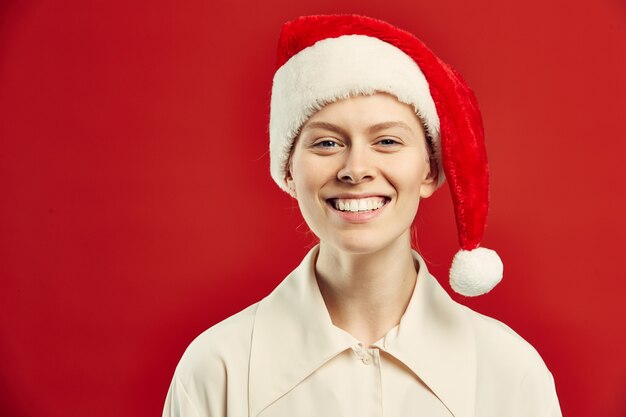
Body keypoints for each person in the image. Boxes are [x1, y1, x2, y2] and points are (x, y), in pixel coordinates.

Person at [162, 14, 562, 417]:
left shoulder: (511, 373)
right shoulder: (216, 370)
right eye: (326, 142)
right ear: (288, 169)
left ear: (430, 169)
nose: (356, 168)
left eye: (387, 141)